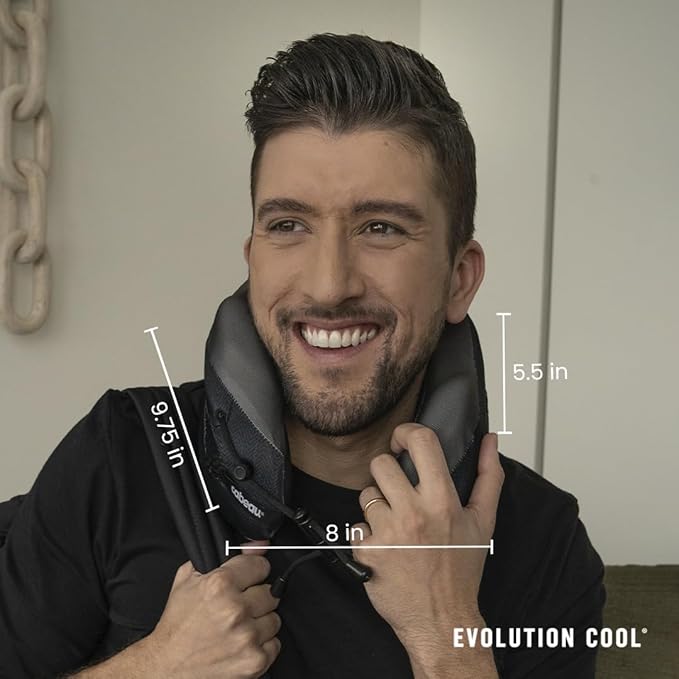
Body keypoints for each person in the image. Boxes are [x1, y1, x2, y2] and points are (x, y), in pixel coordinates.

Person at [0, 33, 604, 678]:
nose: (328, 285)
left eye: (381, 228)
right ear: (253, 257)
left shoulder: (543, 536)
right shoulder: (123, 453)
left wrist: (444, 629)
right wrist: (152, 667)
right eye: (288, 226)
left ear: (459, 278)